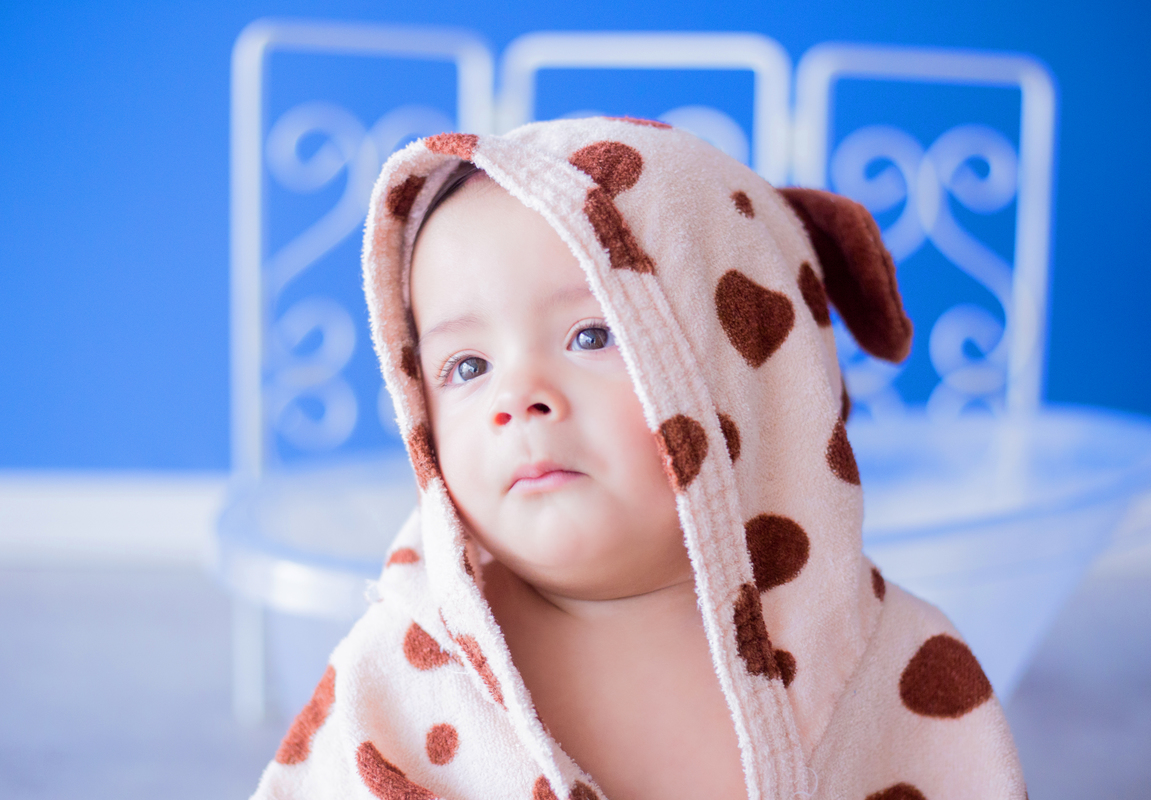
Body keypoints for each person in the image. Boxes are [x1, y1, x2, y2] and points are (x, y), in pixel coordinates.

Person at [251, 117, 1026, 800]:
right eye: (466, 366)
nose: (517, 398)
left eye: (592, 336)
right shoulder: (400, 676)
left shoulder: (889, 665)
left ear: (749, 374)